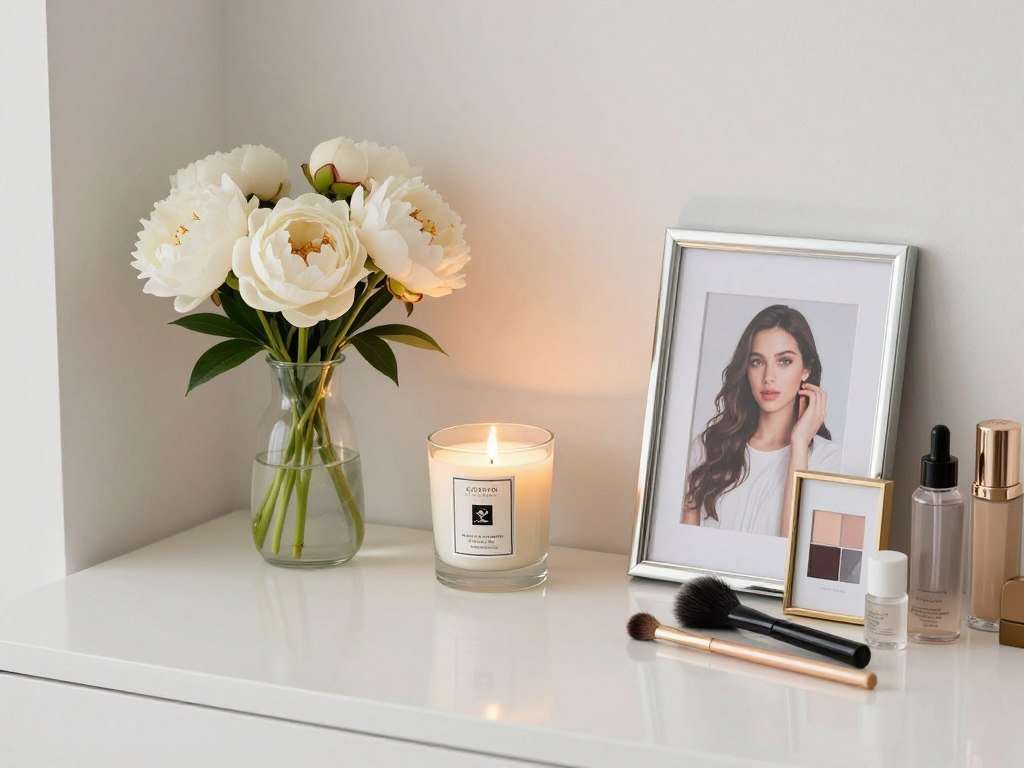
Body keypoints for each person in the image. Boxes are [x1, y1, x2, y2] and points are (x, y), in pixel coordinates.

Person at [682, 304, 842, 537]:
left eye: (784, 361)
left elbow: (794, 551)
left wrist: (799, 444)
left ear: (806, 369)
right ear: (746, 369)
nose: (768, 377)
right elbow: (685, 546)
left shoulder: (828, 460)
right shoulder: (709, 447)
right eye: (757, 361)